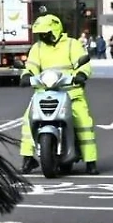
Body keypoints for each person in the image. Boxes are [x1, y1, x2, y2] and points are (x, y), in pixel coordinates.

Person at [18, 13, 99, 175]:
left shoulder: (71, 44)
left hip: (71, 94)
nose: (42, 36)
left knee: (83, 123)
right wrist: (26, 75)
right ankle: (28, 159)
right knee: (27, 121)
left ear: (54, 30)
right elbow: (31, 66)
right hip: (44, 93)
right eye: (40, 34)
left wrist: (82, 75)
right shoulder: (38, 48)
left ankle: (91, 161)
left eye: (45, 33)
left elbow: (83, 63)